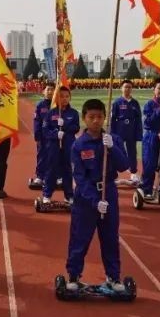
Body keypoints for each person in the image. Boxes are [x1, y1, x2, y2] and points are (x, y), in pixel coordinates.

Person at [65, 98, 129, 291]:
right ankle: (74, 276)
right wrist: (94, 201)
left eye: (99, 117)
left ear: (104, 118)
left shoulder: (113, 139)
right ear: (84, 118)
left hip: (109, 191)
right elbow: (80, 178)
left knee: (110, 237)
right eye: (91, 117)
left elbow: (124, 165)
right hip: (86, 198)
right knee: (80, 237)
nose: (95, 121)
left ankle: (113, 277)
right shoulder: (78, 146)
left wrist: (112, 148)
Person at [39, 86, 79, 205]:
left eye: (67, 96)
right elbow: (45, 130)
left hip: (68, 144)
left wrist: (65, 125)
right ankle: (47, 195)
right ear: (57, 98)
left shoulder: (74, 113)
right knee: (51, 169)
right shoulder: (51, 113)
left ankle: (69, 195)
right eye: (61, 96)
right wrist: (56, 133)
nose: (65, 99)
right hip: (53, 145)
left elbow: (76, 128)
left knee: (67, 170)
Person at [110, 79, 142, 183]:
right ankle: (114, 174)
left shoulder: (135, 103)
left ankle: (133, 173)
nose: (127, 89)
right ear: (121, 89)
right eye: (125, 87)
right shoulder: (117, 102)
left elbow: (138, 119)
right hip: (119, 129)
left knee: (132, 152)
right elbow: (112, 118)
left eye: (129, 87)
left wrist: (138, 133)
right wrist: (112, 133)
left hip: (131, 130)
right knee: (116, 152)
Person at [31, 82, 54, 187]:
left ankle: (56, 177)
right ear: (43, 91)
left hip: (54, 137)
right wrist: (37, 135)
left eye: (52, 89)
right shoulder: (40, 105)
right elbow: (37, 121)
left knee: (55, 157)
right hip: (43, 137)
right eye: (48, 89)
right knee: (42, 156)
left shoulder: (57, 105)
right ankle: (40, 176)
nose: (50, 92)